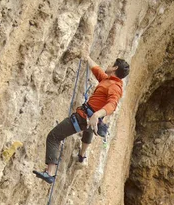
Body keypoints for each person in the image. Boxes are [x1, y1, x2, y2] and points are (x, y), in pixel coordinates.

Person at [33, 55, 130, 184]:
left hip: (82, 118)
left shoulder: (115, 87)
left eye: (111, 64)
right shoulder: (108, 80)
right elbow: (97, 70)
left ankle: (49, 172)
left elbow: (112, 105)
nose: (108, 65)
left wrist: (97, 115)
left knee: (54, 136)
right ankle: (82, 156)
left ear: (115, 68)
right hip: (88, 120)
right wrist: (87, 57)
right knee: (90, 128)